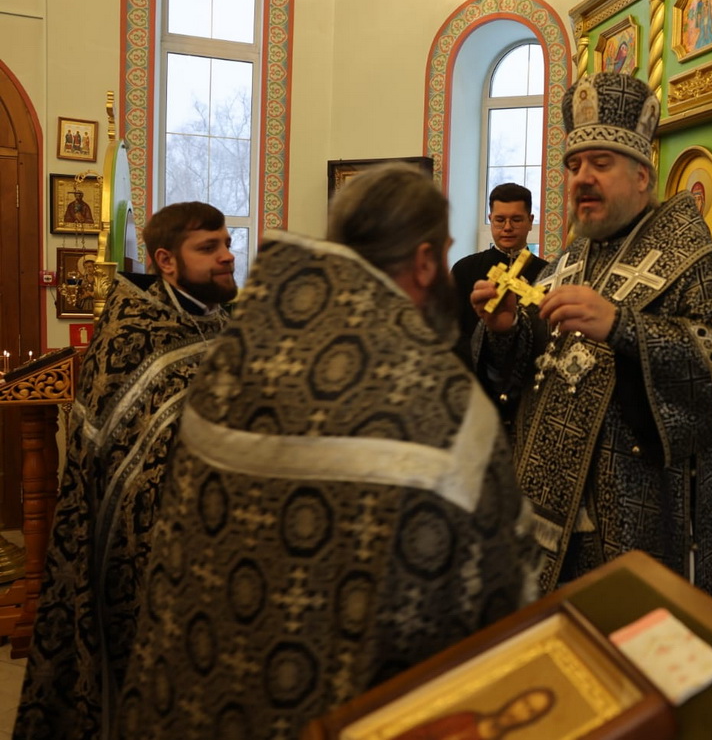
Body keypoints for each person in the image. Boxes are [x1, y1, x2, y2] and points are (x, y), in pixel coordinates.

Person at [115, 164, 536, 740]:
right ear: (423, 261)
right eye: (441, 254)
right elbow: (503, 612)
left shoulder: (233, 362)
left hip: (201, 700)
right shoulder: (447, 407)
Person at [471, 72, 712, 607]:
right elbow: (532, 367)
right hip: (548, 507)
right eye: (574, 166)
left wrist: (624, 327)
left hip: (638, 513)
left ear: (642, 176)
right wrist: (505, 330)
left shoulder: (697, 266)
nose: (582, 178)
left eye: (600, 164)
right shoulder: (568, 260)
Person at [15, 202, 238, 740]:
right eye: (208, 248)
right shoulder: (131, 335)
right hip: (145, 552)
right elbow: (118, 457)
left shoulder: (229, 324)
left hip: (228, 546)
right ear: (166, 260)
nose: (227, 256)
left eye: (227, 243)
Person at [451, 183, 546, 425]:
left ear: (530, 220)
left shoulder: (548, 273)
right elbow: (453, 331)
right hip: (477, 387)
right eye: (500, 220)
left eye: (516, 219)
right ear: (490, 219)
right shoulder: (465, 269)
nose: (507, 227)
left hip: (530, 389)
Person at [398, 688, 555, 740]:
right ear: (515, 700)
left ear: (530, 720)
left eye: (531, 712)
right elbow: (419, 733)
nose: (520, 711)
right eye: (524, 703)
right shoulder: (466, 718)